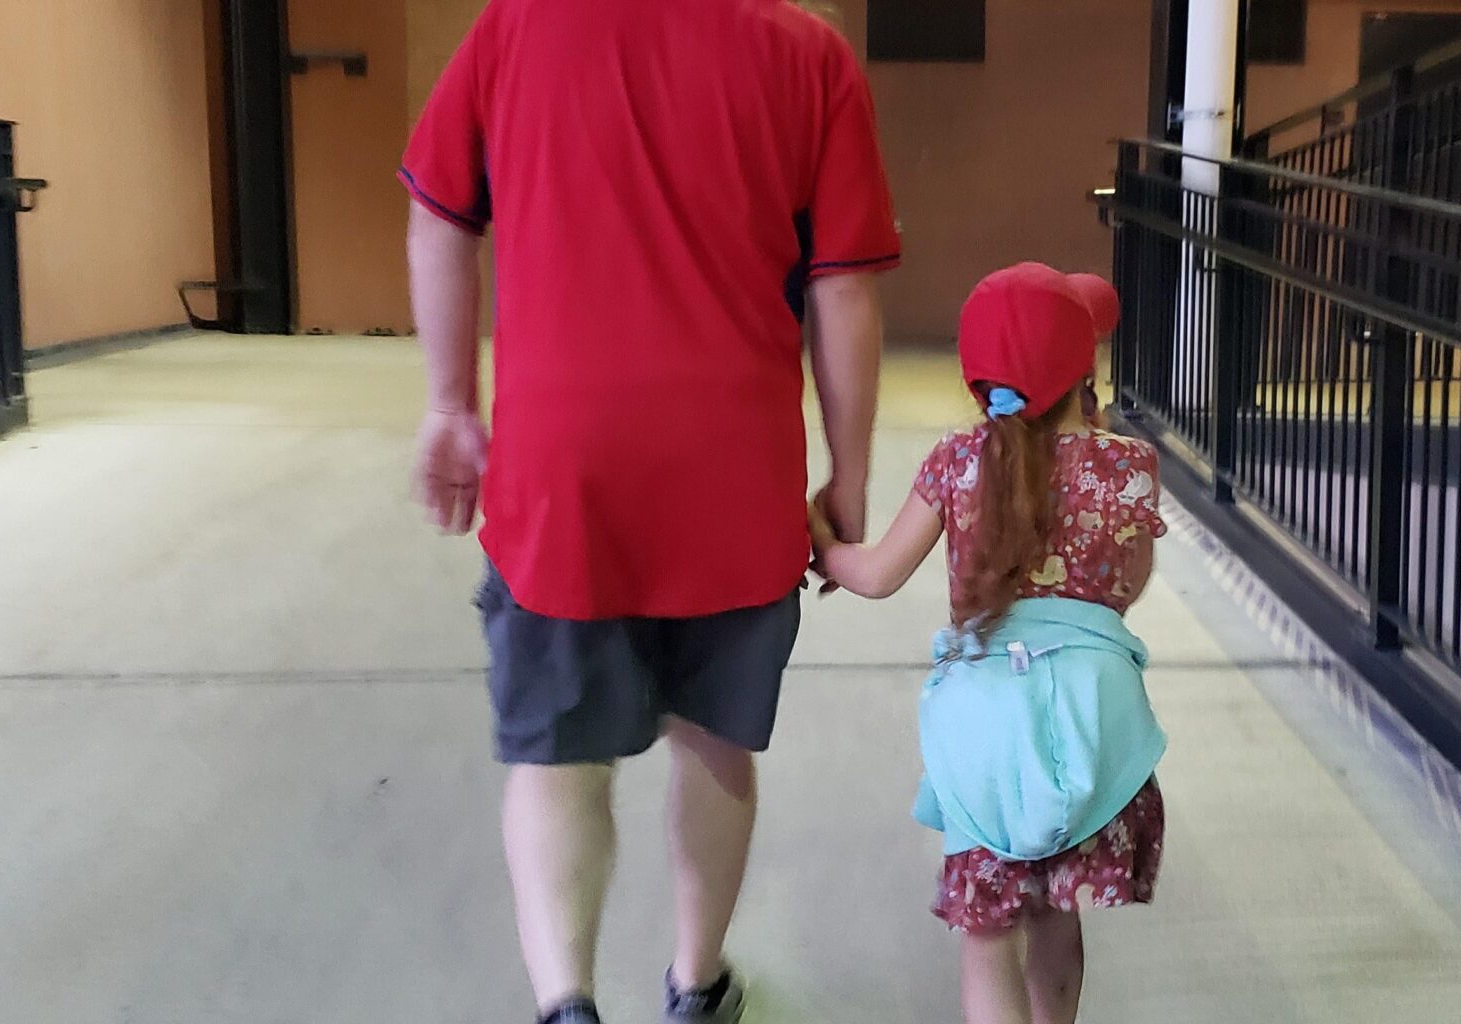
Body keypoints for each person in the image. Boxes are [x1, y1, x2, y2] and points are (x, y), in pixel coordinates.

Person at [399, 1, 898, 1021]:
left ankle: (567, 1004)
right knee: (714, 740)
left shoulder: (516, 29)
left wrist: (450, 404)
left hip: (564, 473)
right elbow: (843, 290)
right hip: (735, 474)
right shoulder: (807, 55)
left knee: (556, 757)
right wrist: (848, 475)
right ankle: (696, 983)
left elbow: (439, 215)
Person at [809, 263, 1167, 1024]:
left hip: (984, 733)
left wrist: (820, 538)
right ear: (1084, 372)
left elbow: (874, 576)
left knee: (987, 934)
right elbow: (1128, 587)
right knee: (1056, 915)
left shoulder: (957, 461)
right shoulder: (1129, 468)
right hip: (1093, 724)